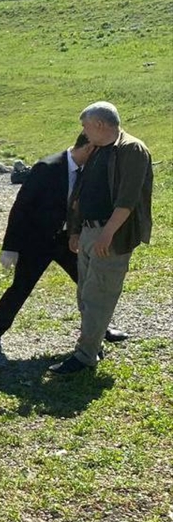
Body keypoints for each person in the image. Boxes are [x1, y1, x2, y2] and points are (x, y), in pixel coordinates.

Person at [0, 135, 130, 362]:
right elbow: (21, 206)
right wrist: (10, 247)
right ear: (89, 148)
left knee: (88, 284)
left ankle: (98, 332)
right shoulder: (48, 167)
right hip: (36, 241)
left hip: (66, 240)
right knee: (21, 288)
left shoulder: (88, 170)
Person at [51, 102, 153, 374]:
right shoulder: (98, 149)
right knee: (85, 292)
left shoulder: (131, 149)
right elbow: (83, 192)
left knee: (98, 294)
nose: (83, 131)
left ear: (100, 124)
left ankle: (84, 356)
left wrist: (107, 235)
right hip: (87, 231)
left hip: (111, 234)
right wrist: (75, 230)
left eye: (85, 125)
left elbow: (128, 199)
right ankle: (93, 345)